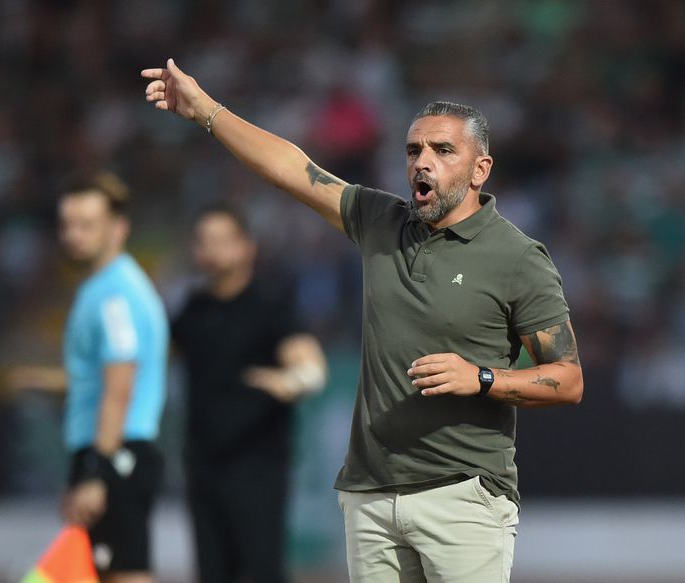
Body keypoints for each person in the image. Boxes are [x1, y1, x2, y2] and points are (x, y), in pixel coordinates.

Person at [142, 59, 583, 583]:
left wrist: (482, 377)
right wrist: (206, 111)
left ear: (479, 169)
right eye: (413, 150)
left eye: (443, 150)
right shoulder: (381, 222)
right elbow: (292, 168)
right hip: (371, 496)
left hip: (462, 495)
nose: (423, 162)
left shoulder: (518, 258)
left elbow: (568, 380)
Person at [171, 203, 327, 583]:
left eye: (223, 240)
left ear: (247, 247)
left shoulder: (269, 305)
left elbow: (311, 368)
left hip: (256, 466)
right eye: (205, 241)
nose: (213, 249)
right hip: (203, 464)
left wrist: (292, 381)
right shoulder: (192, 309)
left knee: (261, 571)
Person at [58, 172, 169, 583]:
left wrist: (95, 472)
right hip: (109, 448)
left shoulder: (115, 296)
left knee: (125, 574)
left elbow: (120, 386)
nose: (73, 235)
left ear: (118, 229)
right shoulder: (102, 288)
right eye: (67, 224)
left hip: (114, 451)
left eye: (87, 225)